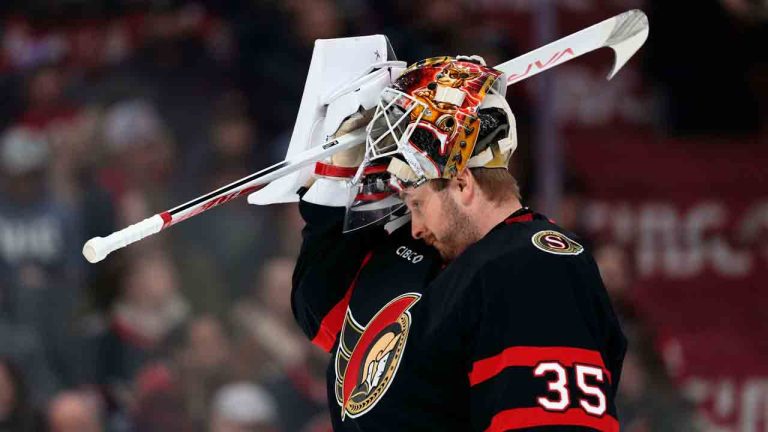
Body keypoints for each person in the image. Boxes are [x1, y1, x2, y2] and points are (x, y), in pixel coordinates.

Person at [356, 56, 627, 431]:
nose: (414, 228)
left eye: (417, 204)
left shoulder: (531, 264)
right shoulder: (470, 267)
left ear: (463, 185)